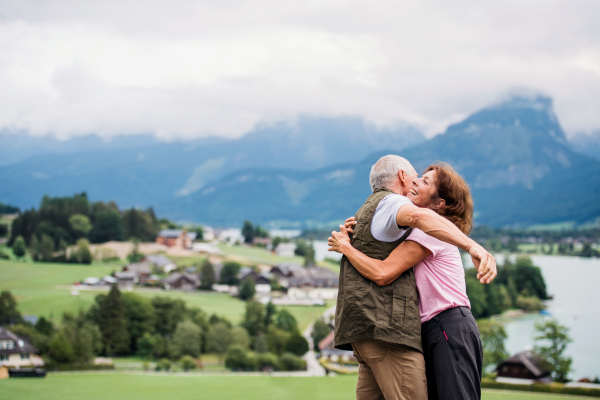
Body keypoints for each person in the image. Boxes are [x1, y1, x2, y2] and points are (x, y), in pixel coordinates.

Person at [329, 161, 487, 400]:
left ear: (438, 203)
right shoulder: (413, 230)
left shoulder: (430, 231)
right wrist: (358, 231)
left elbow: (384, 272)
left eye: (425, 181)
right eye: (418, 177)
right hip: (433, 327)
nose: (415, 182)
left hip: (447, 325)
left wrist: (347, 248)